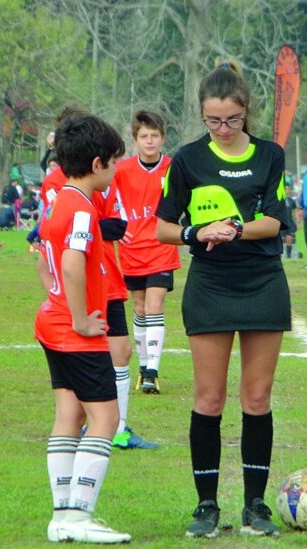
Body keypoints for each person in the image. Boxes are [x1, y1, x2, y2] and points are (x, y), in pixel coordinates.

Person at [156, 62, 291, 539]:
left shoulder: (271, 155)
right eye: (214, 120)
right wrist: (197, 231)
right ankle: (206, 506)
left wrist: (232, 229)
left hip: (262, 283)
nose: (223, 129)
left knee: (256, 397)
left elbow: (274, 221)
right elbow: (163, 226)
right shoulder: (188, 159)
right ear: (203, 115)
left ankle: (256, 505)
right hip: (210, 285)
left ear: (245, 113)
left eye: (231, 120)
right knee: (209, 398)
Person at [35, 111, 131, 544]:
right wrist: (78, 317)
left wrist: (57, 302)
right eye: (113, 161)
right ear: (97, 165)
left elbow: (45, 261)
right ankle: (79, 516)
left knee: (68, 416)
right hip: (74, 331)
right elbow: (72, 264)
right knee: (105, 418)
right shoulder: (81, 209)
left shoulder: (59, 201)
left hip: (51, 325)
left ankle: (62, 517)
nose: (115, 170)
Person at [114, 110, 180, 395]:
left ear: (163, 139)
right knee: (139, 307)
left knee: (155, 305)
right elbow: (108, 201)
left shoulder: (174, 168)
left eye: (154, 136)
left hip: (162, 247)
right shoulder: (121, 170)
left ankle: (152, 371)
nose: (150, 141)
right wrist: (118, 227)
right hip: (131, 250)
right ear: (135, 140)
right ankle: (143, 368)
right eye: (144, 136)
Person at [93, 165, 158, 450]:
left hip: (110, 280)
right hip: (85, 283)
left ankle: (116, 429)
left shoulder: (103, 182)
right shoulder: (60, 185)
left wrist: (92, 225)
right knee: (86, 356)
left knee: (121, 352)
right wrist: (95, 225)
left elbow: (118, 226)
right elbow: (59, 229)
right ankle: (91, 428)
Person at [282, 183, 298, 258]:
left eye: (288, 189)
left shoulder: (291, 201)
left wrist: (296, 221)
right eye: (285, 189)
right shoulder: (279, 200)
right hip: (281, 222)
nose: (286, 191)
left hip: (289, 223)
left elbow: (295, 210)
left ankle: (288, 256)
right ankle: (279, 256)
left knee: (289, 239)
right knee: (280, 239)